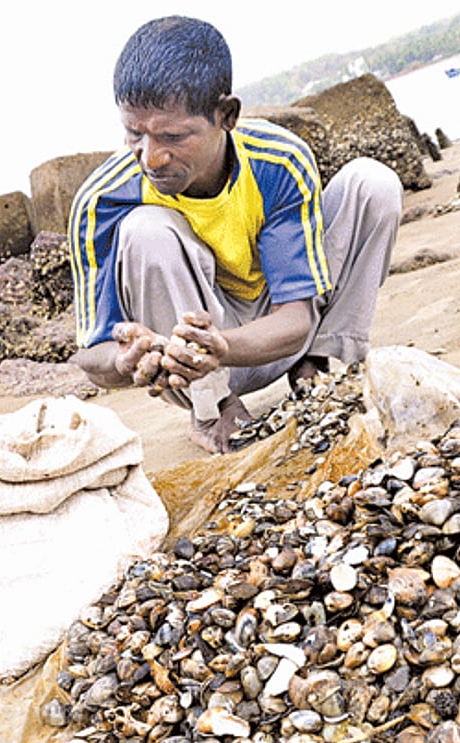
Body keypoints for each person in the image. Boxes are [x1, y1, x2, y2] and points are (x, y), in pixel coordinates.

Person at [69, 15, 403, 454]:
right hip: (189, 368)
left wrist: (222, 345)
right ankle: (213, 409)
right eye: (134, 133)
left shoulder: (278, 162)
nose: (151, 157)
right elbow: (91, 357)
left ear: (227, 116)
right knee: (145, 229)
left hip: (279, 337)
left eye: (173, 136)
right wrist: (122, 360)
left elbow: (296, 317)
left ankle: (323, 369)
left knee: (372, 183)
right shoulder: (102, 201)